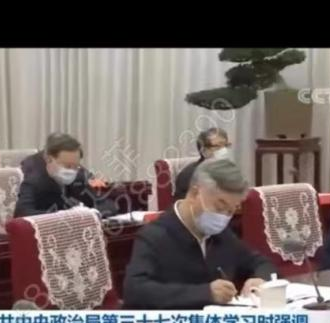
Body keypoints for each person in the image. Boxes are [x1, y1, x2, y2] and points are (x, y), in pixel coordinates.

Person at [123, 158, 276, 309]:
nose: (223, 217)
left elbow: (260, 262)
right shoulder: (155, 235)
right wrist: (205, 293)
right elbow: (135, 291)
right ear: (195, 194)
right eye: (219, 207)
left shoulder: (221, 234)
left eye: (231, 210)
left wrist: (260, 279)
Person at [14, 133, 117, 218]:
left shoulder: (79, 176)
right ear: (48, 159)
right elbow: (22, 214)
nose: (71, 171)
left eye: (75, 166)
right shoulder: (33, 179)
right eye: (67, 166)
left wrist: (91, 213)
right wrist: (64, 216)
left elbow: (108, 205)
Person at [173, 127, 232, 201]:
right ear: (204, 150)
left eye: (226, 145)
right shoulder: (192, 175)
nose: (224, 150)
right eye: (218, 146)